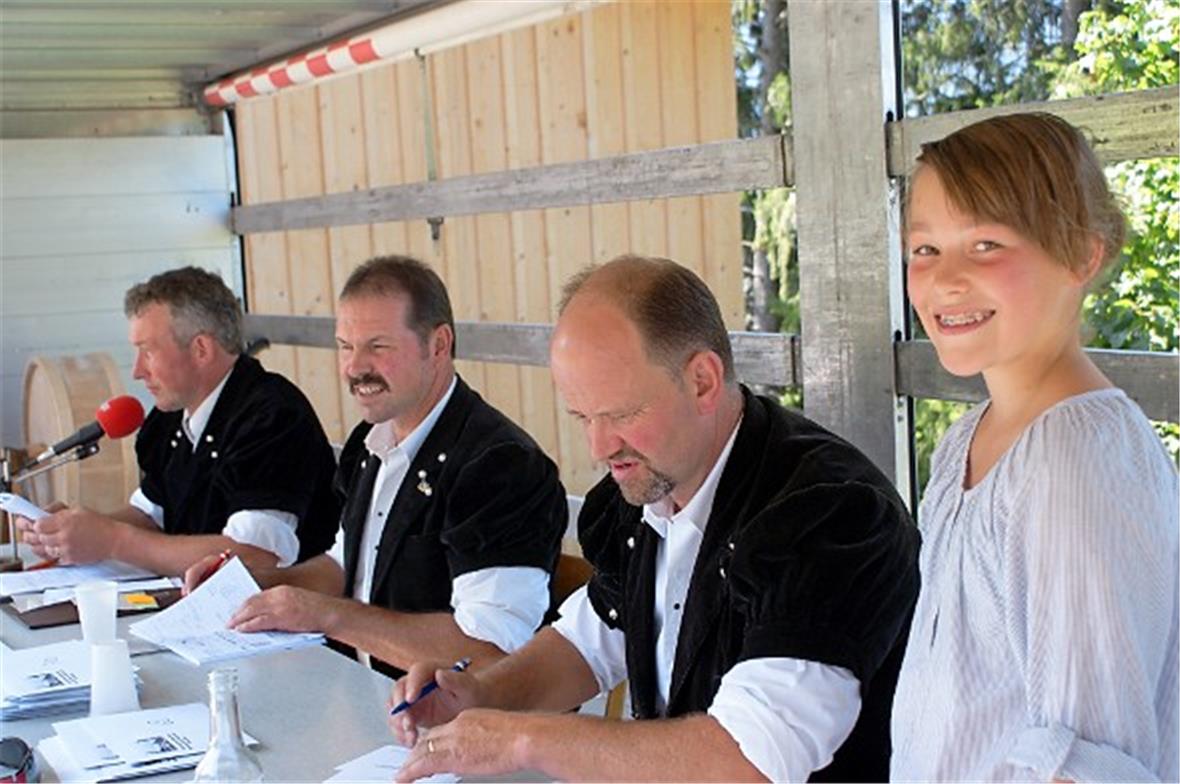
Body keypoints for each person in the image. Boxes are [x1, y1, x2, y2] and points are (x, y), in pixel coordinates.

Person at [388, 255, 920, 782]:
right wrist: (483, 694)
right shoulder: (649, 481)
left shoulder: (831, 514)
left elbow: (749, 760)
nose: (599, 447)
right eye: (583, 417)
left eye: (621, 415)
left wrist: (522, 738)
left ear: (703, 381)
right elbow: (591, 641)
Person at [890, 113, 1178, 781]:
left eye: (986, 243)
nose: (945, 280)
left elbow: (1088, 762)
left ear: (1084, 253)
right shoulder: (968, 440)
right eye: (924, 249)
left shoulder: (1075, 462)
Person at [184, 256, 567, 678]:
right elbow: (346, 564)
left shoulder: (500, 466)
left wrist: (328, 615)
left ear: (439, 345)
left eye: (377, 346)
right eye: (345, 346)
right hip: (357, 695)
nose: (355, 367)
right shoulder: (371, 440)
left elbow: (488, 654)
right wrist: (254, 585)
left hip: (446, 725)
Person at [16, 266, 340, 576]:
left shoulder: (273, 417)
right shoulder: (169, 417)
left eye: (148, 352)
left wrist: (112, 539)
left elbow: (255, 556)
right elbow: (150, 516)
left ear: (200, 349)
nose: (137, 371)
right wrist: (72, 532)